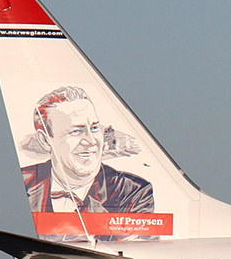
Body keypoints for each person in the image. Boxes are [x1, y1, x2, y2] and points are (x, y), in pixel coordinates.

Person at [22, 86, 153, 236]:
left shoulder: (132, 191)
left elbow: (133, 248)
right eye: (76, 131)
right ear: (45, 140)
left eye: (95, 128)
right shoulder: (24, 183)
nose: (91, 141)